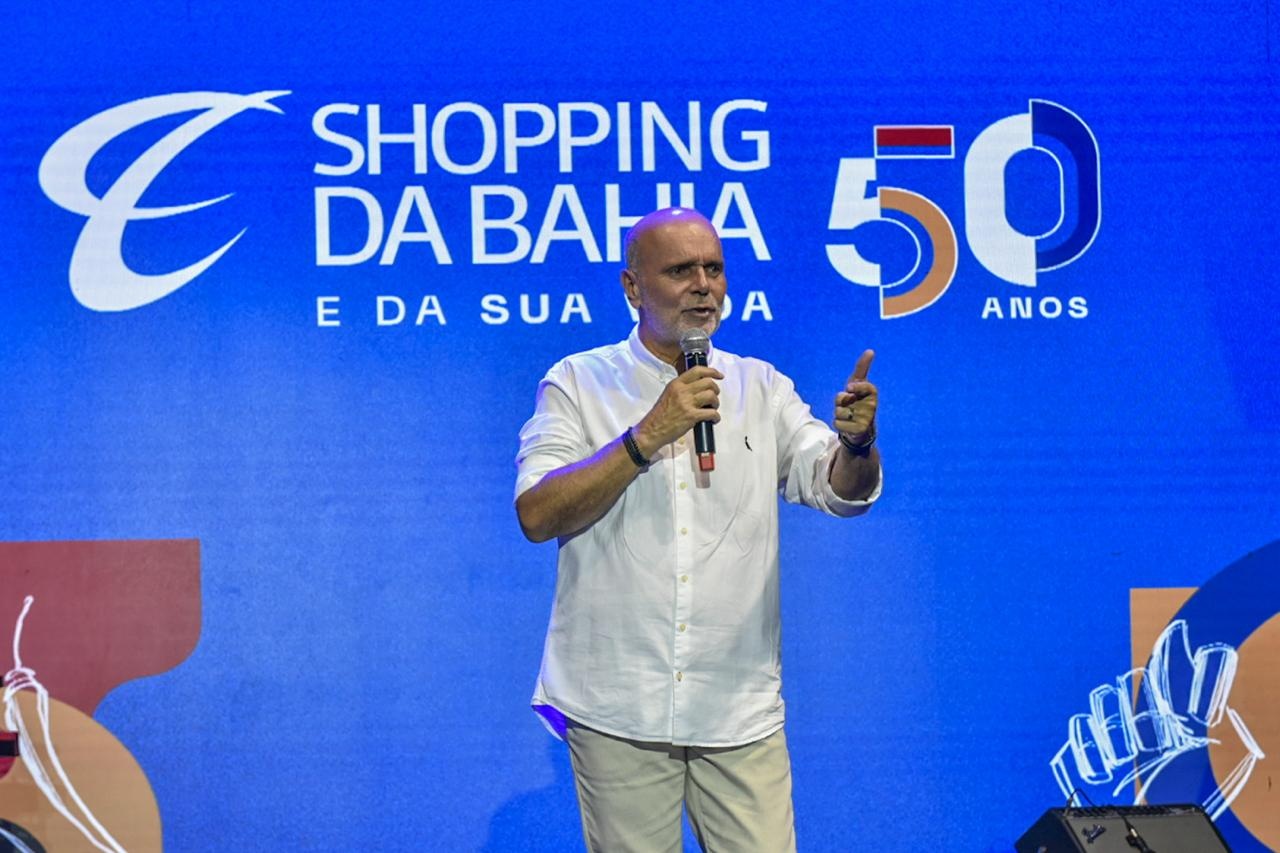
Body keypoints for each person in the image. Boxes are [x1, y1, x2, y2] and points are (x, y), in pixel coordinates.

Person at [515, 207, 881, 852]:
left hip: (737, 704)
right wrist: (647, 434)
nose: (703, 286)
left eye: (714, 269)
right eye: (681, 271)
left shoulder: (760, 386)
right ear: (633, 287)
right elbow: (537, 514)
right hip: (618, 701)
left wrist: (857, 444)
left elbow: (838, 491)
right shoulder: (578, 382)